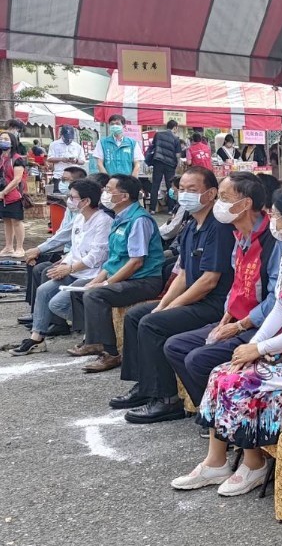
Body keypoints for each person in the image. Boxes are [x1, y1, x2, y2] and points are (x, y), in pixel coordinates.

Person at [172, 183, 282, 496]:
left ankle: (253, 463)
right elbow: (279, 308)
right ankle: (216, 461)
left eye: (277, 215)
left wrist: (260, 347)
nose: (272, 220)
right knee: (222, 373)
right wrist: (250, 347)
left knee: (239, 384)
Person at [106, 167, 235, 422]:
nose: (184, 194)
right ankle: (144, 387)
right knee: (136, 316)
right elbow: (185, 275)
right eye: (182, 189)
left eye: (192, 190)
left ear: (210, 194)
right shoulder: (190, 227)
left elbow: (209, 281)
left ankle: (167, 399)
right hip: (194, 298)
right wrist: (163, 303)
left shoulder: (218, 228)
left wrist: (171, 307)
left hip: (214, 304)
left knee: (153, 324)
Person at [164, 173, 281, 414]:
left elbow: (277, 298)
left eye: (225, 198)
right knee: (175, 346)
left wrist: (241, 326)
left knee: (197, 359)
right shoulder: (239, 237)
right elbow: (237, 282)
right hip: (237, 318)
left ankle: (222, 421)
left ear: (246, 203)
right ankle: (212, 413)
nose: (219, 203)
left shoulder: (272, 240)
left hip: (262, 327)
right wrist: (227, 315)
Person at [68, 175, 166, 371]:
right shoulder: (119, 218)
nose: (104, 193)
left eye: (108, 190)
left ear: (123, 196)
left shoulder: (139, 220)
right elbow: (113, 260)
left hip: (144, 280)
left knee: (96, 295)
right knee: (79, 288)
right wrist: (97, 280)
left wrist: (106, 284)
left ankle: (111, 353)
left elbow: (136, 262)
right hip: (126, 276)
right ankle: (92, 340)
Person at [9, 179, 113, 356]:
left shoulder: (103, 221)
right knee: (44, 290)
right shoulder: (80, 218)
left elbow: (97, 256)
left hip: (93, 274)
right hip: (75, 270)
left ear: (86, 201)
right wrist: (65, 262)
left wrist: (70, 268)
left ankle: (96, 329)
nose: (69, 200)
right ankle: (37, 338)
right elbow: (73, 245)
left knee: (57, 303)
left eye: (72, 197)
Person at [19, 166, 87, 325]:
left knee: (45, 270)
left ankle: (54, 323)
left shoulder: (92, 214)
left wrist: (67, 263)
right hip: (68, 253)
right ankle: (37, 314)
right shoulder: (71, 208)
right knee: (34, 261)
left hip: (76, 258)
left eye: (66, 180)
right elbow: (60, 234)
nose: (61, 183)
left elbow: (92, 251)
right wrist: (38, 250)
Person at [0, 130, 26, 257]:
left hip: (13, 195)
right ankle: (8, 246)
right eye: (1, 138)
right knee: (6, 221)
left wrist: (4, 192)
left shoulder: (17, 159)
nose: (2, 141)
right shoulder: (1, 158)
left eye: (5, 139)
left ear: (12, 142)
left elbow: (17, 179)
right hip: (2, 196)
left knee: (16, 221)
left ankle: (20, 248)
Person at [147, 120, 181, 214]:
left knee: (155, 185)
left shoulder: (158, 135)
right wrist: (178, 165)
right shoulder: (176, 138)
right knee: (170, 186)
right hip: (170, 164)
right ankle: (170, 209)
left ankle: (152, 209)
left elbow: (153, 147)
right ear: (175, 127)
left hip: (158, 162)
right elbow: (178, 155)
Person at [47, 125, 86, 193]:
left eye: (70, 138)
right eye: (67, 138)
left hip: (74, 177)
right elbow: (50, 158)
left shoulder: (77, 146)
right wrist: (61, 159)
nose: (69, 140)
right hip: (60, 175)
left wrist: (76, 161)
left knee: (75, 196)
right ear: (62, 135)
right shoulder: (54, 144)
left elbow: (82, 161)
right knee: (58, 198)